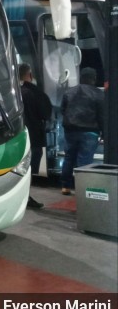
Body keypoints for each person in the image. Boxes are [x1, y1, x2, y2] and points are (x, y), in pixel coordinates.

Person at [60, 67, 104, 195]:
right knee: (84, 160)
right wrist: (104, 132)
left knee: (69, 157)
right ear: (94, 79)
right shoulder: (98, 94)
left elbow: (63, 110)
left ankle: (65, 186)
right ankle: (81, 188)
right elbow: (102, 115)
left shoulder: (69, 92)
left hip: (70, 130)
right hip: (90, 131)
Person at [18, 63, 52, 209]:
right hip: (33, 137)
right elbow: (45, 114)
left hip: (17, 137)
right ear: (29, 75)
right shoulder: (35, 93)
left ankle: (19, 196)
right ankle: (25, 197)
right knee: (29, 169)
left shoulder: (13, 93)